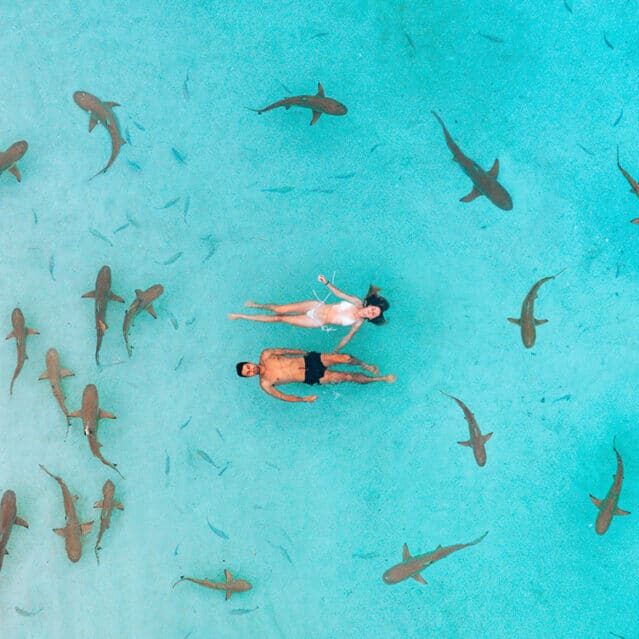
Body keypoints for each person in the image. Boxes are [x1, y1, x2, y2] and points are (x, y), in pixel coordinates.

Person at [228, 274, 389, 351]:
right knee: (279, 309)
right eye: (373, 309)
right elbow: (339, 294)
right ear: (370, 305)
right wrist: (326, 282)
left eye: (373, 315)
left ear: (371, 318)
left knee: (280, 319)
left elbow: (347, 338)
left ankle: (242, 316)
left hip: (316, 322)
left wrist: (334, 352)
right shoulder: (356, 302)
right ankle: (257, 305)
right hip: (316, 306)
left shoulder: (358, 323)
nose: (371, 312)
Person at [236, 348, 395, 403]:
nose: (252, 370)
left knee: (345, 358)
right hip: (311, 377)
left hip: (309, 359)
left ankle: (365, 365)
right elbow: (283, 396)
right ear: (249, 377)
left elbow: (286, 350)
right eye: (248, 373)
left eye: (248, 367)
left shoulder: (266, 354)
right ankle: (378, 379)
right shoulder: (265, 383)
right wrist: (304, 400)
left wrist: (304, 352)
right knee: (346, 377)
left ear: (249, 362)